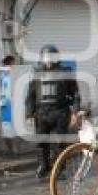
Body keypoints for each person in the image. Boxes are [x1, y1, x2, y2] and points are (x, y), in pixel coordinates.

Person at [25, 45, 80, 178]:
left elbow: (75, 94)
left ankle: (59, 169)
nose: (48, 59)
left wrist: (75, 112)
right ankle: (44, 166)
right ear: (42, 58)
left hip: (60, 111)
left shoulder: (66, 72)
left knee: (60, 142)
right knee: (41, 142)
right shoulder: (36, 72)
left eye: (51, 56)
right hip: (42, 113)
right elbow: (30, 95)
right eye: (45, 57)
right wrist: (29, 113)